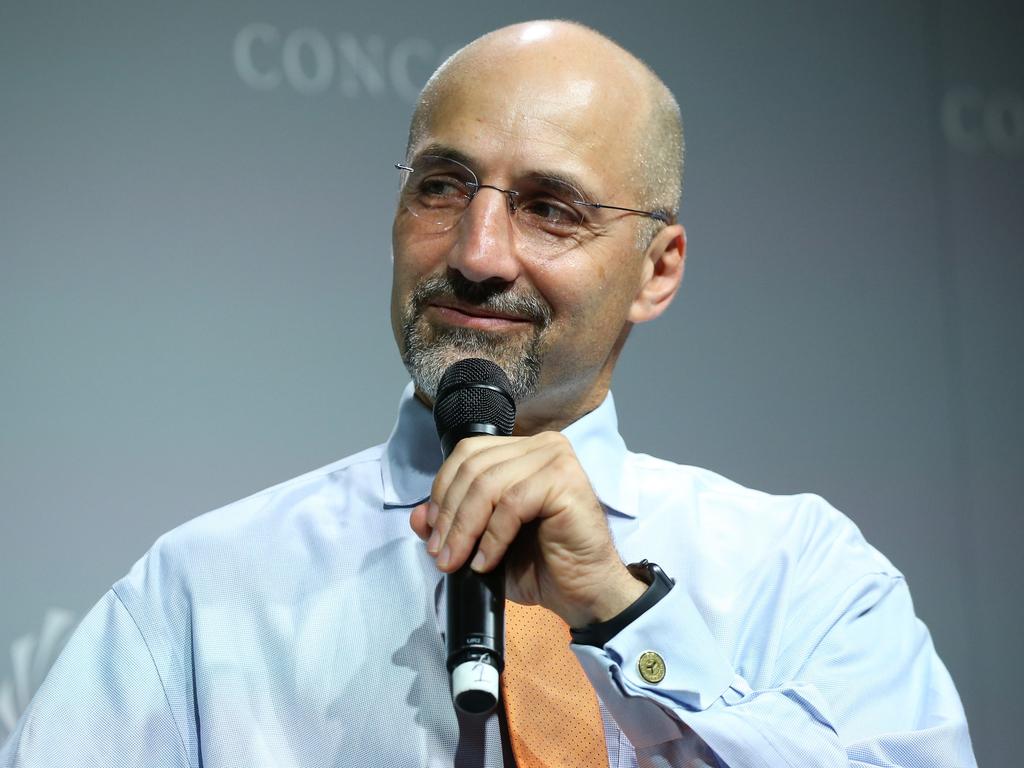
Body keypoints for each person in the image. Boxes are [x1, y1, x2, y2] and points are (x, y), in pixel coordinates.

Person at [1, 19, 975, 768]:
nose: (475, 253)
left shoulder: (802, 580)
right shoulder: (200, 596)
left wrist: (619, 618)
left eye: (551, 210)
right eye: (441, 188)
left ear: (656, 270)